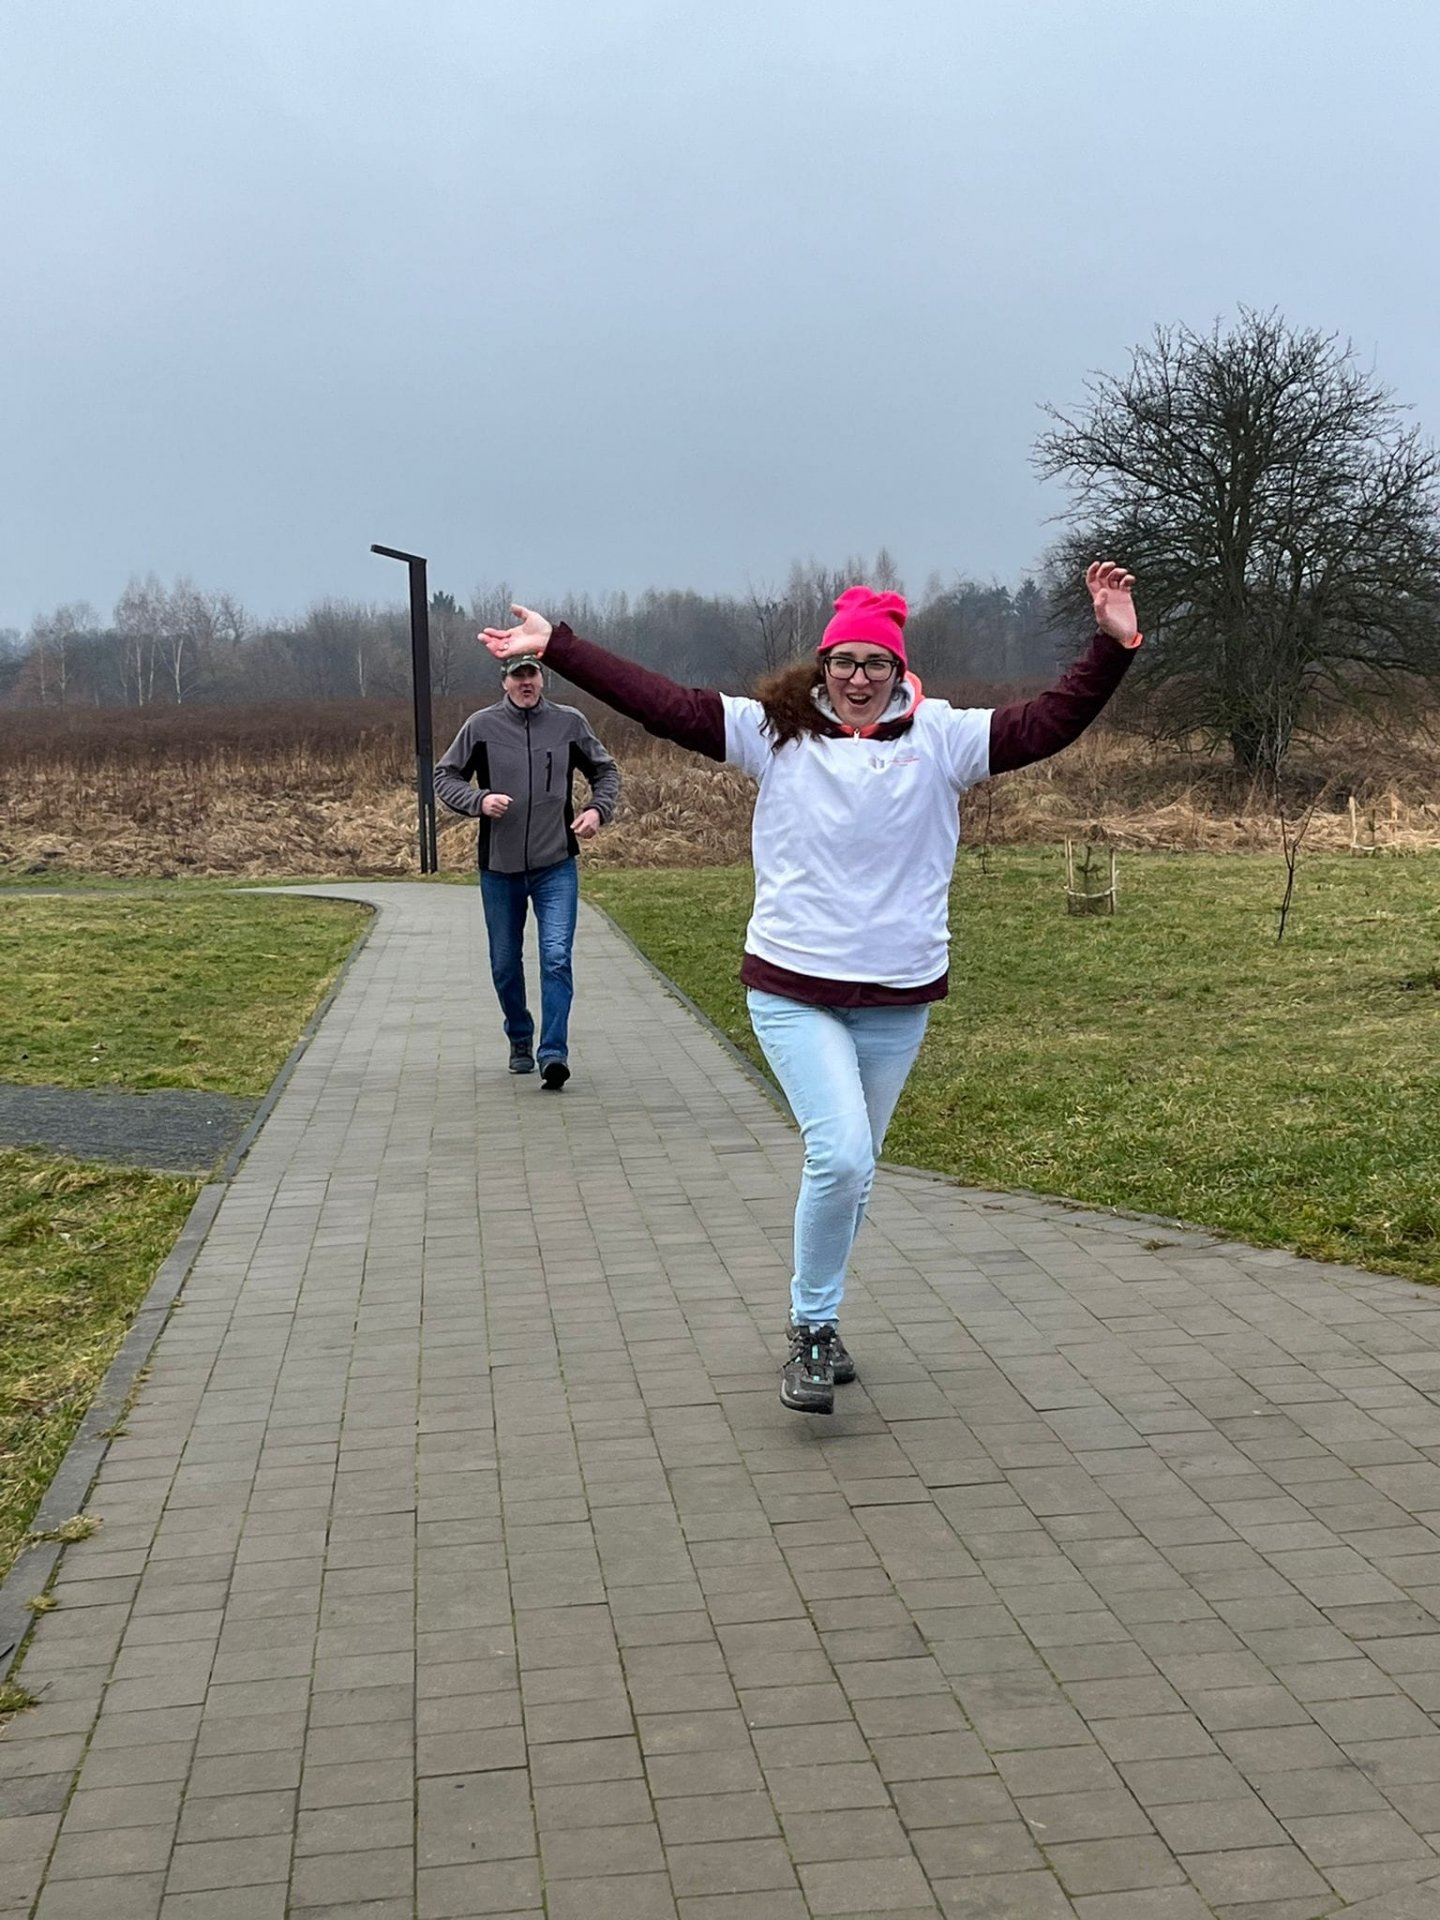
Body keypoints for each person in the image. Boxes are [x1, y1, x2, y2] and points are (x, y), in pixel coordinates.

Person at [482, 563, 1141, 1406]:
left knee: (855, 1170)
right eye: (844, 663)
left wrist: (1112, 646)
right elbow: (664, 704)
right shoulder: (774, 732)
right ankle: (812, 1327)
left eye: (876, 664)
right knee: (840, 1154)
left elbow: (1050, 723)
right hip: (793, 987)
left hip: (898, 997)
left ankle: (818, 1318)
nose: (859, 679)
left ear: (899, 670)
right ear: (822, 666)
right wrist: (560, 647)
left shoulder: (944, 737)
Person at [435, 653, 621, 1090]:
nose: (526, 683)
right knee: (504, 963)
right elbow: (445, 777)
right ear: (505, 682)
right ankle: (519, 1033)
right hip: (500, 868)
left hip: (555, 864)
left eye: (532, 674)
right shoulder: (481, 727)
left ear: (542, 678)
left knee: (556, 957)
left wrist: (597, 810)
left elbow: (605, 770)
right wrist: (479, 800)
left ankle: (553, 1053)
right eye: (517, 676)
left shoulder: (569, 723)